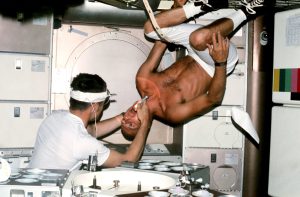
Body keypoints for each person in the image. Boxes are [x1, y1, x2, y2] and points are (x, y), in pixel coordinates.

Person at [121, 0, 264, 139]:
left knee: (150, 29)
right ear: (146, 125)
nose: (127, 117)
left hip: (193, 51)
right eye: (131, 124)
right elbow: (213, 99)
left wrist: (176, 8)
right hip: (215, 65)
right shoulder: (172, 113)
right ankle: (248, 11)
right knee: (198, 38)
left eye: (124, 120)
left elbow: (161, 41)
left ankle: (206, 4)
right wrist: (220, 62)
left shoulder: (142, 81)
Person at [29, 73, 151, 170]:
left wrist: (124, 116)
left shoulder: (54, 117)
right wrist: (145, 122)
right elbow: (129, 160)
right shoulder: (83, 142)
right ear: (96, 106)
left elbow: (91, 130)